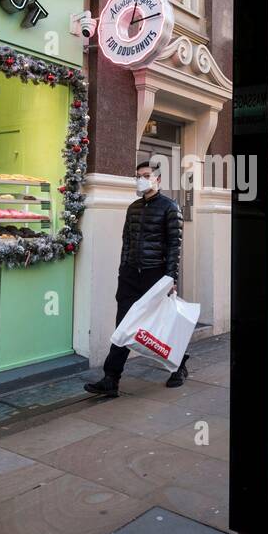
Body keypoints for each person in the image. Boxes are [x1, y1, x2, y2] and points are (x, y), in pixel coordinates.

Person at [84, 160, 189, 396]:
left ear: (158, 180)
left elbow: (175, 246)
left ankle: (179, 366)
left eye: (146, 175)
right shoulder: (133, 208)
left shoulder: (170, 207)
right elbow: (127, 242)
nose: (141, 179)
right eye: (138, 176)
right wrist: (123, 269)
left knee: (165, 326)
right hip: (131, 275)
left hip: (156, 275)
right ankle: (111, 379)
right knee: (123, 326)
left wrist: (171, 278)